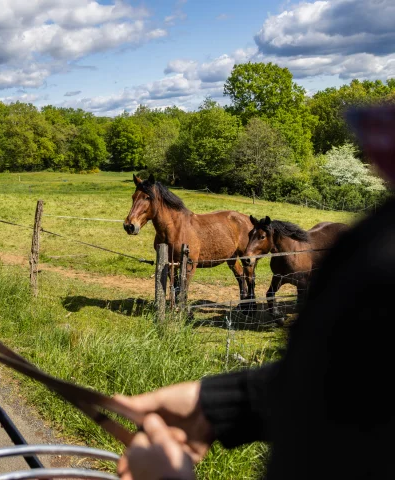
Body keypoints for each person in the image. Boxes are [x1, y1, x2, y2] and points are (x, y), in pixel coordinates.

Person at [114, 104, 395, 480]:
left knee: (245, 276)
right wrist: (215, 404)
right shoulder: (374, 249)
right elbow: (324, 374)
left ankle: (244, 304)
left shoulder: (376, 259)